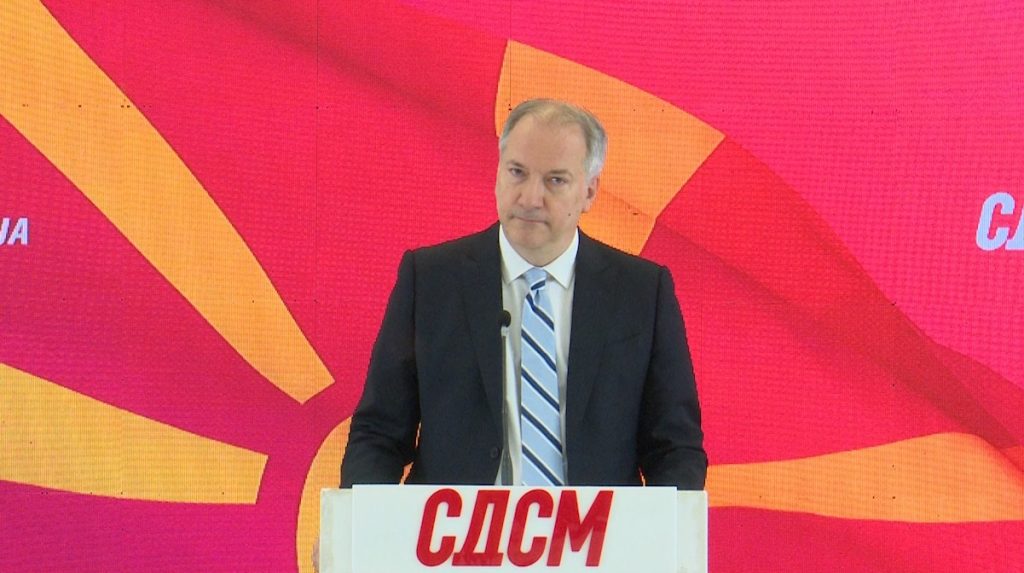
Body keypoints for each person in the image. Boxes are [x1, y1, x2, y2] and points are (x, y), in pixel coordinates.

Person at [340, 98, 706, 489]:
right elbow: (378, 435)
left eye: (555, 181)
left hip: (595, 527)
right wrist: (359, 521)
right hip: (455, 526)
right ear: (498, 173)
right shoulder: (431, 280)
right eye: (517, 172)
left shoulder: (641, 292)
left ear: (589, 191)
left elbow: (675, 449)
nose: (530, 198)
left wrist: (662, 525)